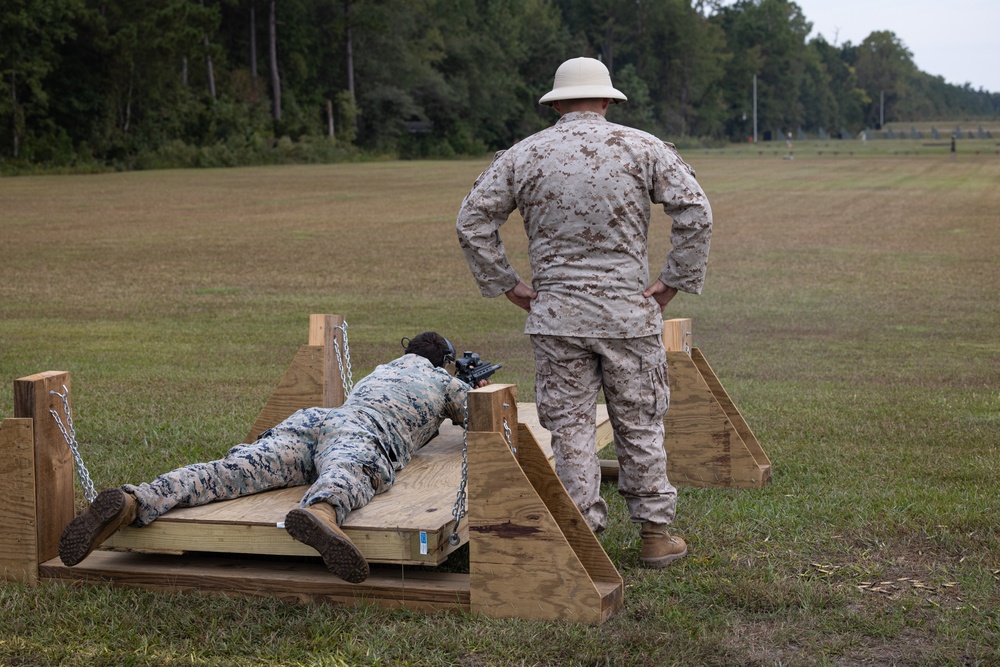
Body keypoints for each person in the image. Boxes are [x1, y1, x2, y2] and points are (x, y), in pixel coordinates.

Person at [456, 57, 712, 568]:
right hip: (628, 315)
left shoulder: (524, 155)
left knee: (571, 430)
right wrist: (672, 281)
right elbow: (696, 212)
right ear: (607, 100)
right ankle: (655, 535)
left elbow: (472, 221)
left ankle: (582, 541)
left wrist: (507, 284)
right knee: (639, 422)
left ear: (556, 104)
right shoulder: (642, 147)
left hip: (557, 317)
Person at [59, 332, 483, 583]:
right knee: (350, 469)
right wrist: (471, 388)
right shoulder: (440, 380)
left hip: (315, 420)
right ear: (444, 362)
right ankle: (321, 512)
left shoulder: (383, 368)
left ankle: (136, 500)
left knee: (232, 471)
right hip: (363, 428)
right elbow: (477, 415)